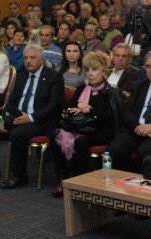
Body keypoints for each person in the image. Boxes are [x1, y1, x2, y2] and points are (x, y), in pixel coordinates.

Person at [0, 45, 64, 188]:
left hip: (40, 121)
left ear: (41, 59)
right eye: (25, 58)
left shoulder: (53, 76)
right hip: (18, 117)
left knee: (17, 134)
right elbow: (10, 101)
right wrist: (2, 118)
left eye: (32, 58)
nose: (28, 61)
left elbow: (54, 105)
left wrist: (30, 118)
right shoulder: (22, 75)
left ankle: (19, 175)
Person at [51, 52, 123, 197]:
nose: (90, 74)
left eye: (94, 69)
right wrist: (79, 104)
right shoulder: (83, 88)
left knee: (79, 141)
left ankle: (79, 180)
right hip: (82, 127)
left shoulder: (110, 91)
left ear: (103, 70)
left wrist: (88, 110)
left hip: (103, 130)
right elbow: (69, 107)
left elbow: (111, 117)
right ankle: (63, 177)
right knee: (56, 136)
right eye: (88, 70)